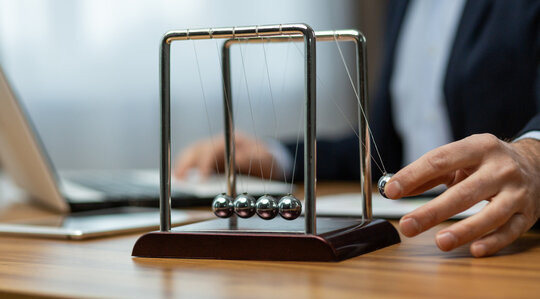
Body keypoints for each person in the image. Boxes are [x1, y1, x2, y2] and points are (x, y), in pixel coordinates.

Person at [175, 0, 540, 257]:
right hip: (412, 256)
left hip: (512, 250)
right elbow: (384, 156)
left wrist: (533, 155)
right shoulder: (402, 5)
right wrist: (274, 157)